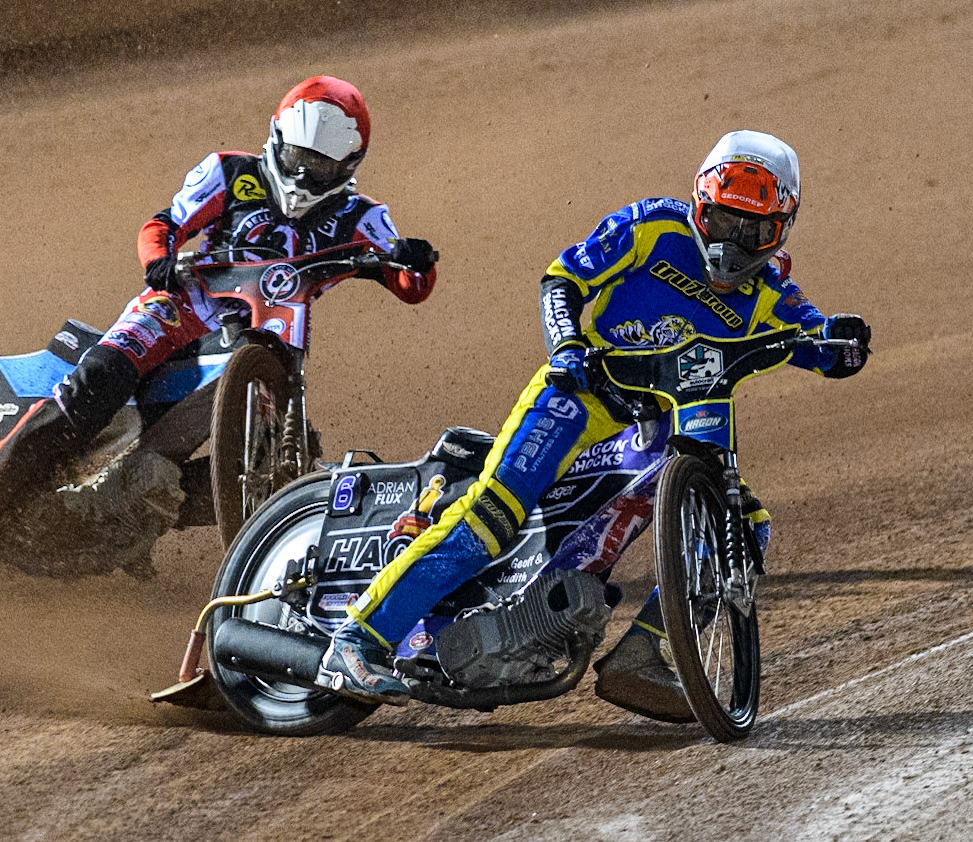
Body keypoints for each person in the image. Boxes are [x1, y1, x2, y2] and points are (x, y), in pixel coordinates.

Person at [320, 130, 871, 718]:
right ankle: (356, 640)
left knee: (744, 524)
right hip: (581, 396)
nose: (732, 243)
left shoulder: (771, 292)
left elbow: (824, 346)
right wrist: (566, 346)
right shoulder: (652, 226)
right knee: (491, 517)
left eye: (752, 231)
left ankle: (646, 653)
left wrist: (848, 342)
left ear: (781, 230)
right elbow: (562, 280)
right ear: (697, 203)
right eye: (721, 221)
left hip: (663, 424)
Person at [0, 75, 438, 582]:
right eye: (297, 156)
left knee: (286, 459)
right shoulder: (231, 172)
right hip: (179, 307)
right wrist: (159, 259)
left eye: (320, 165)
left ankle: (134, 518)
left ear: (347, 166)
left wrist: (415, 260)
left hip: (270, 339)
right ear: (277, 138)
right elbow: (164, 225)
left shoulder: (360, 217)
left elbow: (410, 284)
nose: (304, 174)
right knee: (100, 380)